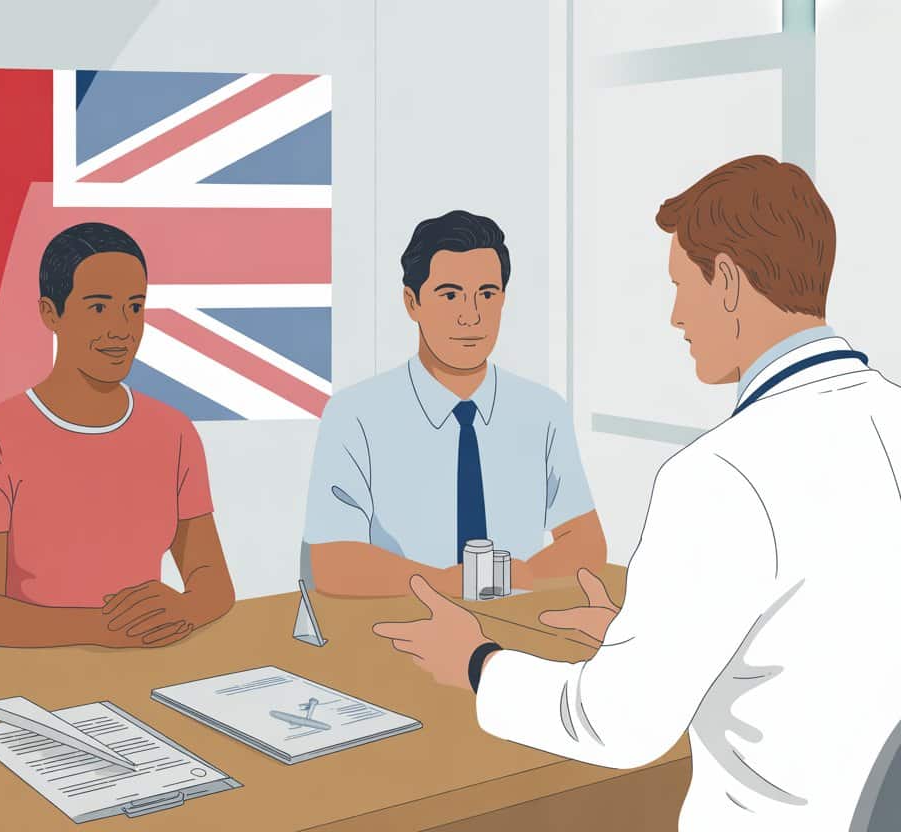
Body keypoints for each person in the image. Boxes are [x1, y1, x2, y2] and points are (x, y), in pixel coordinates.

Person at [373, 156, 901, 830]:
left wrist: (477, 662)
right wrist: (659, 635)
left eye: (682, 285)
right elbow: (838, 632)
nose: (676, 315)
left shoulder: (721, 475)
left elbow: (618, 724)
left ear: (730, 283)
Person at [0, 222, 235, 648]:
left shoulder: (173, 433)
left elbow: (213, 581)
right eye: (98, 308)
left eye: (134, 307)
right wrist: (110, 631)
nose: (122, 329)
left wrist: (184, 609)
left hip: (153, 665)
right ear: (51, 313)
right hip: (39, 682)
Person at [304, 209, 606, 597]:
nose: (471, 316)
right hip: (396, 625)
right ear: (411, 302)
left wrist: (513, 580)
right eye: (450, 295)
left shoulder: (543, 411)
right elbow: (333, 563)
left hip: (518, 627)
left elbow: (586, 543)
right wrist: (452, 585)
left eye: (486, 294)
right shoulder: (356, 415)